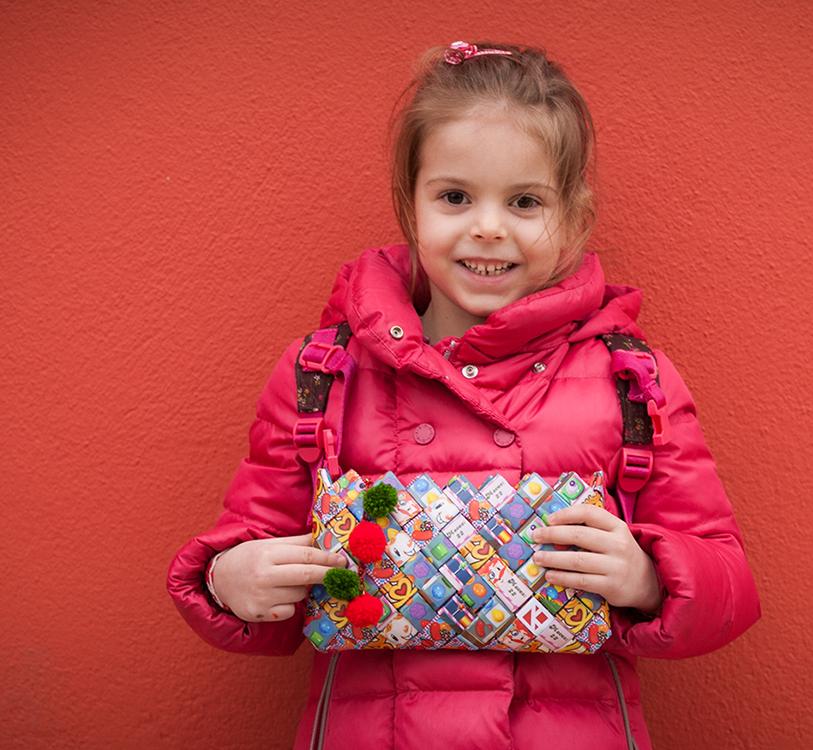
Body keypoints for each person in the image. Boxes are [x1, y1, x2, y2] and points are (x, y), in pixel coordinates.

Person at [168, 41, 760, 750]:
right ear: (409, 204)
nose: (487, 226)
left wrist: (648, 579)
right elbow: (257, 555)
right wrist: (232, 580)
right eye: (455, 196)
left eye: (525, 201)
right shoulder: (324, 375)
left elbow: (729, 581)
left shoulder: (633, 382)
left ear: (573, 213)